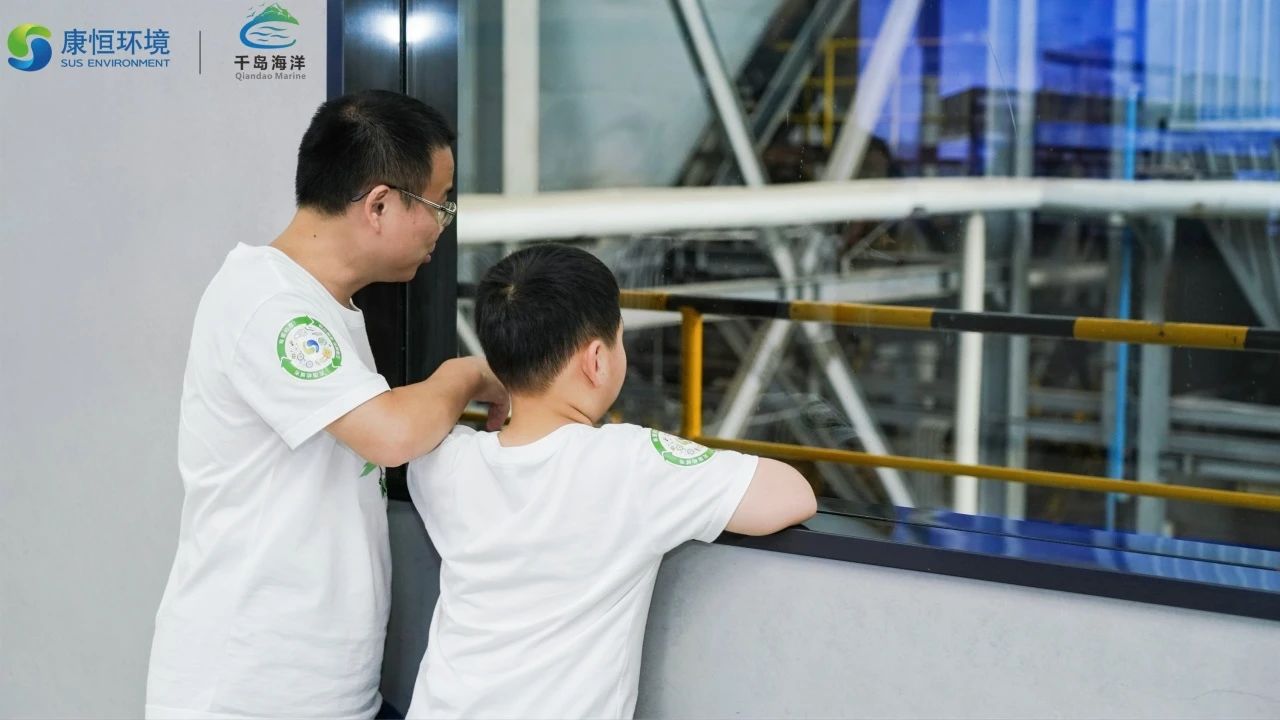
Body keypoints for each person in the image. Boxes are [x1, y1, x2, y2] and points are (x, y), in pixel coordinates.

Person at [145, 90, 507, 720]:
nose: (442, 226)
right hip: (246, 697)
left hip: (321, 693)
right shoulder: (271, 304)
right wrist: (469, 373)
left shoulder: (321, 308)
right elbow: (390, 435)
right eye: (439, 204)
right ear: (379, 204)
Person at [405, 244, 817, 719]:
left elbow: (414, 425)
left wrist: (467, 377)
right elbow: (792, 496)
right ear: (597, 359)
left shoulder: (443, 463)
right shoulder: (629, 465)